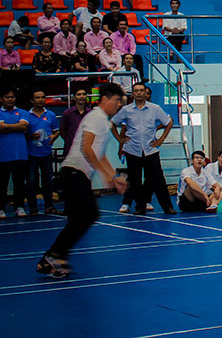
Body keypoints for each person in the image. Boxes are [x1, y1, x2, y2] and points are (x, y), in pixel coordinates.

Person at [36, 83, 127, 278]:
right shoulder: (96, 117)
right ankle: (53, 256)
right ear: (105, 99)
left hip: (78, 175)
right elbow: (87, 148)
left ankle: (53, 257)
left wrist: (113, 176)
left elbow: (100, 154)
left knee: (80, 218)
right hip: (73, 173)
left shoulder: (103, 121)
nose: (119, 104)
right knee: (87, 215)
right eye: (117, 100)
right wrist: (105, 174)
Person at [111, 82, 175, 215]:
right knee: (135, 181)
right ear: (133, 94)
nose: (139, 93)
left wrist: (161, 139)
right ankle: (140, 207)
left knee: (158, 179)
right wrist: (119, 139)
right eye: (136, 91)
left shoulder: (155, 108)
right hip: (132, 150)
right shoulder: (126, 110)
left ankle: (167, 207)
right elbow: (112, 123)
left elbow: (168, 122)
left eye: (141, 90)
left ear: (145, 93)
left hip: (150, 149)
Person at [26, 89, 60, 216]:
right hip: (31, 153)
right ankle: (33, 208)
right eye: (37, 97)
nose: (41, 100)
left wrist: (54, 137)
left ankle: (49, 206)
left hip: (46, 153)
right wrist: (30, 136)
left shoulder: (50, 114)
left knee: (48, 181)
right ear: (32, 100)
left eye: (42, 97)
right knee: (31, 181)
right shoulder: (26, 115)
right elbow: (22, 133)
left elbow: (56, 131)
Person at [0, 88, 30, 218]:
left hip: (20, 154)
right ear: (2, 99)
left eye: (12, 97)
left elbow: (23, 126)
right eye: (7, 97)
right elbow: (1, 129)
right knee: (2, 184)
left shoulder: (23, 112)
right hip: (3, 155)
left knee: (19, 183)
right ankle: (1, 209)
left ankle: (19, 207)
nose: (10, 99)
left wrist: (6, 126)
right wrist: (15, 126)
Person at [60, 88, 92, 155]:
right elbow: (62, 131)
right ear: (74, 97)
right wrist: (70, 140)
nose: (82, 96)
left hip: (86, 149)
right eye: (79, 94)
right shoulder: (67, 113)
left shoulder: (91, 113)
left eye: (84, 94)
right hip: (70, 149)